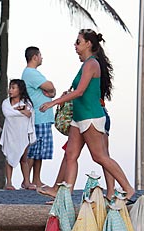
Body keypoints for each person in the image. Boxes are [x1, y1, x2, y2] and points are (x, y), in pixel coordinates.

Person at [39, 29, 135, 200]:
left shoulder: (92, 64)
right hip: (78, 117)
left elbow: (81, 91)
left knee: (99, 156)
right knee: (70, 154)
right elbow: (77, 90)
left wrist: (54, 102)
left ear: (88, 44)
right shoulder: (85, 65)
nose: (75, 45)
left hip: (91, 116)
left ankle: (128, 188)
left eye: (78, 42)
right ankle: (64, 195)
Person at [21, 46, 56, 189]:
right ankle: (27, 180)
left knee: (40, 151)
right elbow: (50, 86)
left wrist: (51, 91)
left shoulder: (33, 73)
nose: (42, 58)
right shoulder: (31, 73)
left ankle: (36, 179)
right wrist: (51, 89)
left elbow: (51, 91)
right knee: (34, 150)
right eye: (40, 55)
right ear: (35, 57)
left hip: (42, 117)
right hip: (38, 116)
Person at [0, 79, 35, 190]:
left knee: (23, 158)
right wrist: (21, 111)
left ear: (20, 90)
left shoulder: (27, 102)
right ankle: (9, 182)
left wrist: (21, 111)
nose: (10, 90)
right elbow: (8, 113)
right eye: (10, 87)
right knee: (9, 157)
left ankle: (26, 182)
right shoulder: (6, 103)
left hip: (22, 133)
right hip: (10, 133)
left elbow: (30, 113)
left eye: (13, 88)